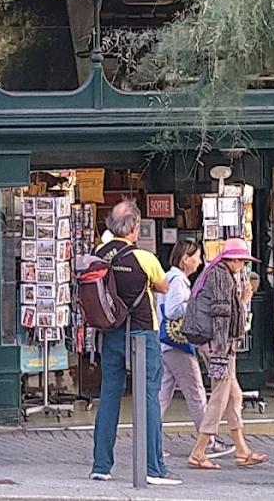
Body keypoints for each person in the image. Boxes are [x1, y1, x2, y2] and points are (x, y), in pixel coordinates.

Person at [89, 200, 180, 486]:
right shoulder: (144, 257)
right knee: (149, 395)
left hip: (110, 331)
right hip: (142, 332)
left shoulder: (98, 254)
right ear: (134, 227)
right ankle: (153, 467)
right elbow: (164, 286)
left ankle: (101, 465)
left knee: (109, 395)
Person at [185, 238, 269, 470]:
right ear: (233, 260)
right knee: (220, 396)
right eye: (242, 261)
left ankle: (242, 450)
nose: (243, 265)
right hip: (218, 345)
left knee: (234, 395)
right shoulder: (221, 275)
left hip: (213, 342)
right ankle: (199, 451)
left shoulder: (215, 272)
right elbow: (222, 313)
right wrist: (222, 348)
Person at [157, 239, 235, 458]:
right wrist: (195, 305)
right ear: (185, 259)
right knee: (196, 392)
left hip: (166, 343)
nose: (199, 262)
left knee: (162, 395)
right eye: (197, 257)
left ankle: (149, 441)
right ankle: (208, 441)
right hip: (178, 344)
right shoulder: (178, 281)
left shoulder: (168, 277)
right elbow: (173, 310)